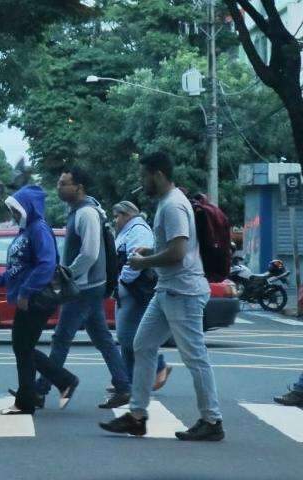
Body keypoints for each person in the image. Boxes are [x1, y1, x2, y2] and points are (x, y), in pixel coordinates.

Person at [100, 152, 224, 441]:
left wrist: (144, 262)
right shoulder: (168, 204)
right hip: (167, 289)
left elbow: (179, 252)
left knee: (195, 357)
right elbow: (169, 247)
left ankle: (212, 420)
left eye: (144, 176)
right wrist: (149, 252)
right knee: (142, 344)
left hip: (183, 291)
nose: (141, 182)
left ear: (157, 174)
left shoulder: (173, 206)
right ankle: (137, 415)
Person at [34, 167, 131, 409]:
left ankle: (41, 389)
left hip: (84, 287)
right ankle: (123, 386)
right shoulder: (78, 211)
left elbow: (89, 253)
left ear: (79, 187)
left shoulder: (86, 213)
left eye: (63, 183)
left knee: (61, 338)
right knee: (102, 339)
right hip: (88, 286)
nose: (59, 187)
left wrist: (66, 275)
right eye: (59, 182)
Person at [0, 185, 79, 415]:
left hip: (36, 298)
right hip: (26, 296)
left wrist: (26, 292)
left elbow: (46, 264)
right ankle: (54, 384)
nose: (13, 214)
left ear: (28, 208)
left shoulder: (38, 229)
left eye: (16, 209)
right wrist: (0, 280)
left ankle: (31, 398)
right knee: (23, 347)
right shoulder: (26, 230)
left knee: (22, 347)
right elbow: (19, 265)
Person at [113, 200, 172, 390]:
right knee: (127, 337)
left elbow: (135, 261)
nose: (115, 221)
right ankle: (129, 380)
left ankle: (158, 366)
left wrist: (123, 281)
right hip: (128, 290)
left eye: (117, 216)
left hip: (135, 291)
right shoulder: (128, 231)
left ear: (126, 215)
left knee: (129, 337)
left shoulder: (138, 230)